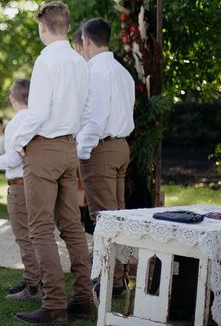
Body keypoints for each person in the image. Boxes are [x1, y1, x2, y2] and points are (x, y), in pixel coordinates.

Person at [11, 1, 95, 324]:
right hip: (69, 149)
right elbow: (87, 111)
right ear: (66, 25)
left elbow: (37, 112)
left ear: (44, 26)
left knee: (41, 227)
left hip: (44, 149)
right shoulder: (79, 61)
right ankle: (84, 299)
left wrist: (20, 141)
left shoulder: (45, 61)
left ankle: (55, 304)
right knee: (72, 225)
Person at [77, 17, 135, 293]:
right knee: (118, 216)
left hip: (101, 148)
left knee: (104, 217)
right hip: (122, 146)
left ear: (86, 40)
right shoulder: (122, 71)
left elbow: (96, 118)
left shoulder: (96, 72)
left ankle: (110, 281)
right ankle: (119, 275)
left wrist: (81, 151)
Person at [0, 79, 41, 301]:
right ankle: (34, 277)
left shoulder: (15, 123)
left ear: (13, 99)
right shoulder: (40, 120)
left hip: (19, 185)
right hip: (38, 183)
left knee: (24, 236)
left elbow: (12, 160)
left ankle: (33, 287)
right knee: (39, 234)